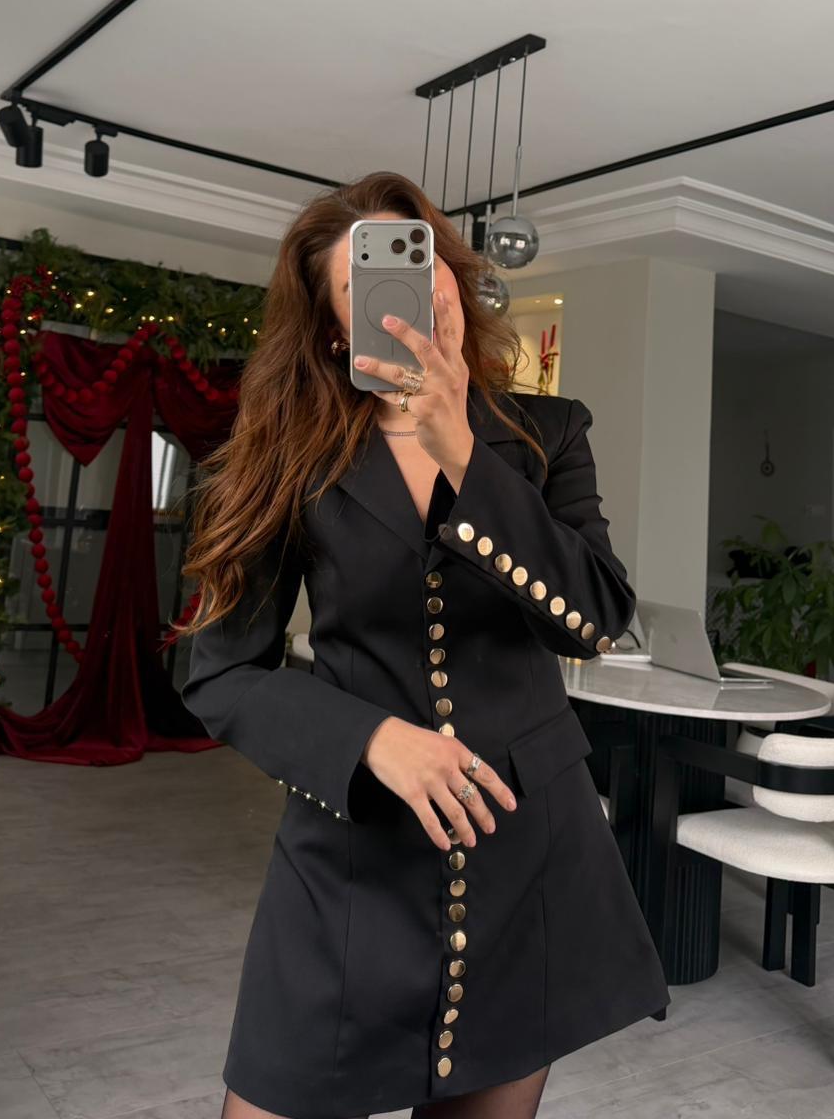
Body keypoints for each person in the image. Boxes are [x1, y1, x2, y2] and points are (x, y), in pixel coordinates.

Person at [176, 169, 670, 1119]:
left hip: (526, 856)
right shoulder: (288, 455)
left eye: (423, 256)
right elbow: (223, 673)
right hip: (351, 856)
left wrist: (462, 452)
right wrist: (370, 739)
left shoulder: (548, 434)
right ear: (334, 327)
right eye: (367, 276)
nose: (413, 284)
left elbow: (595, 619)